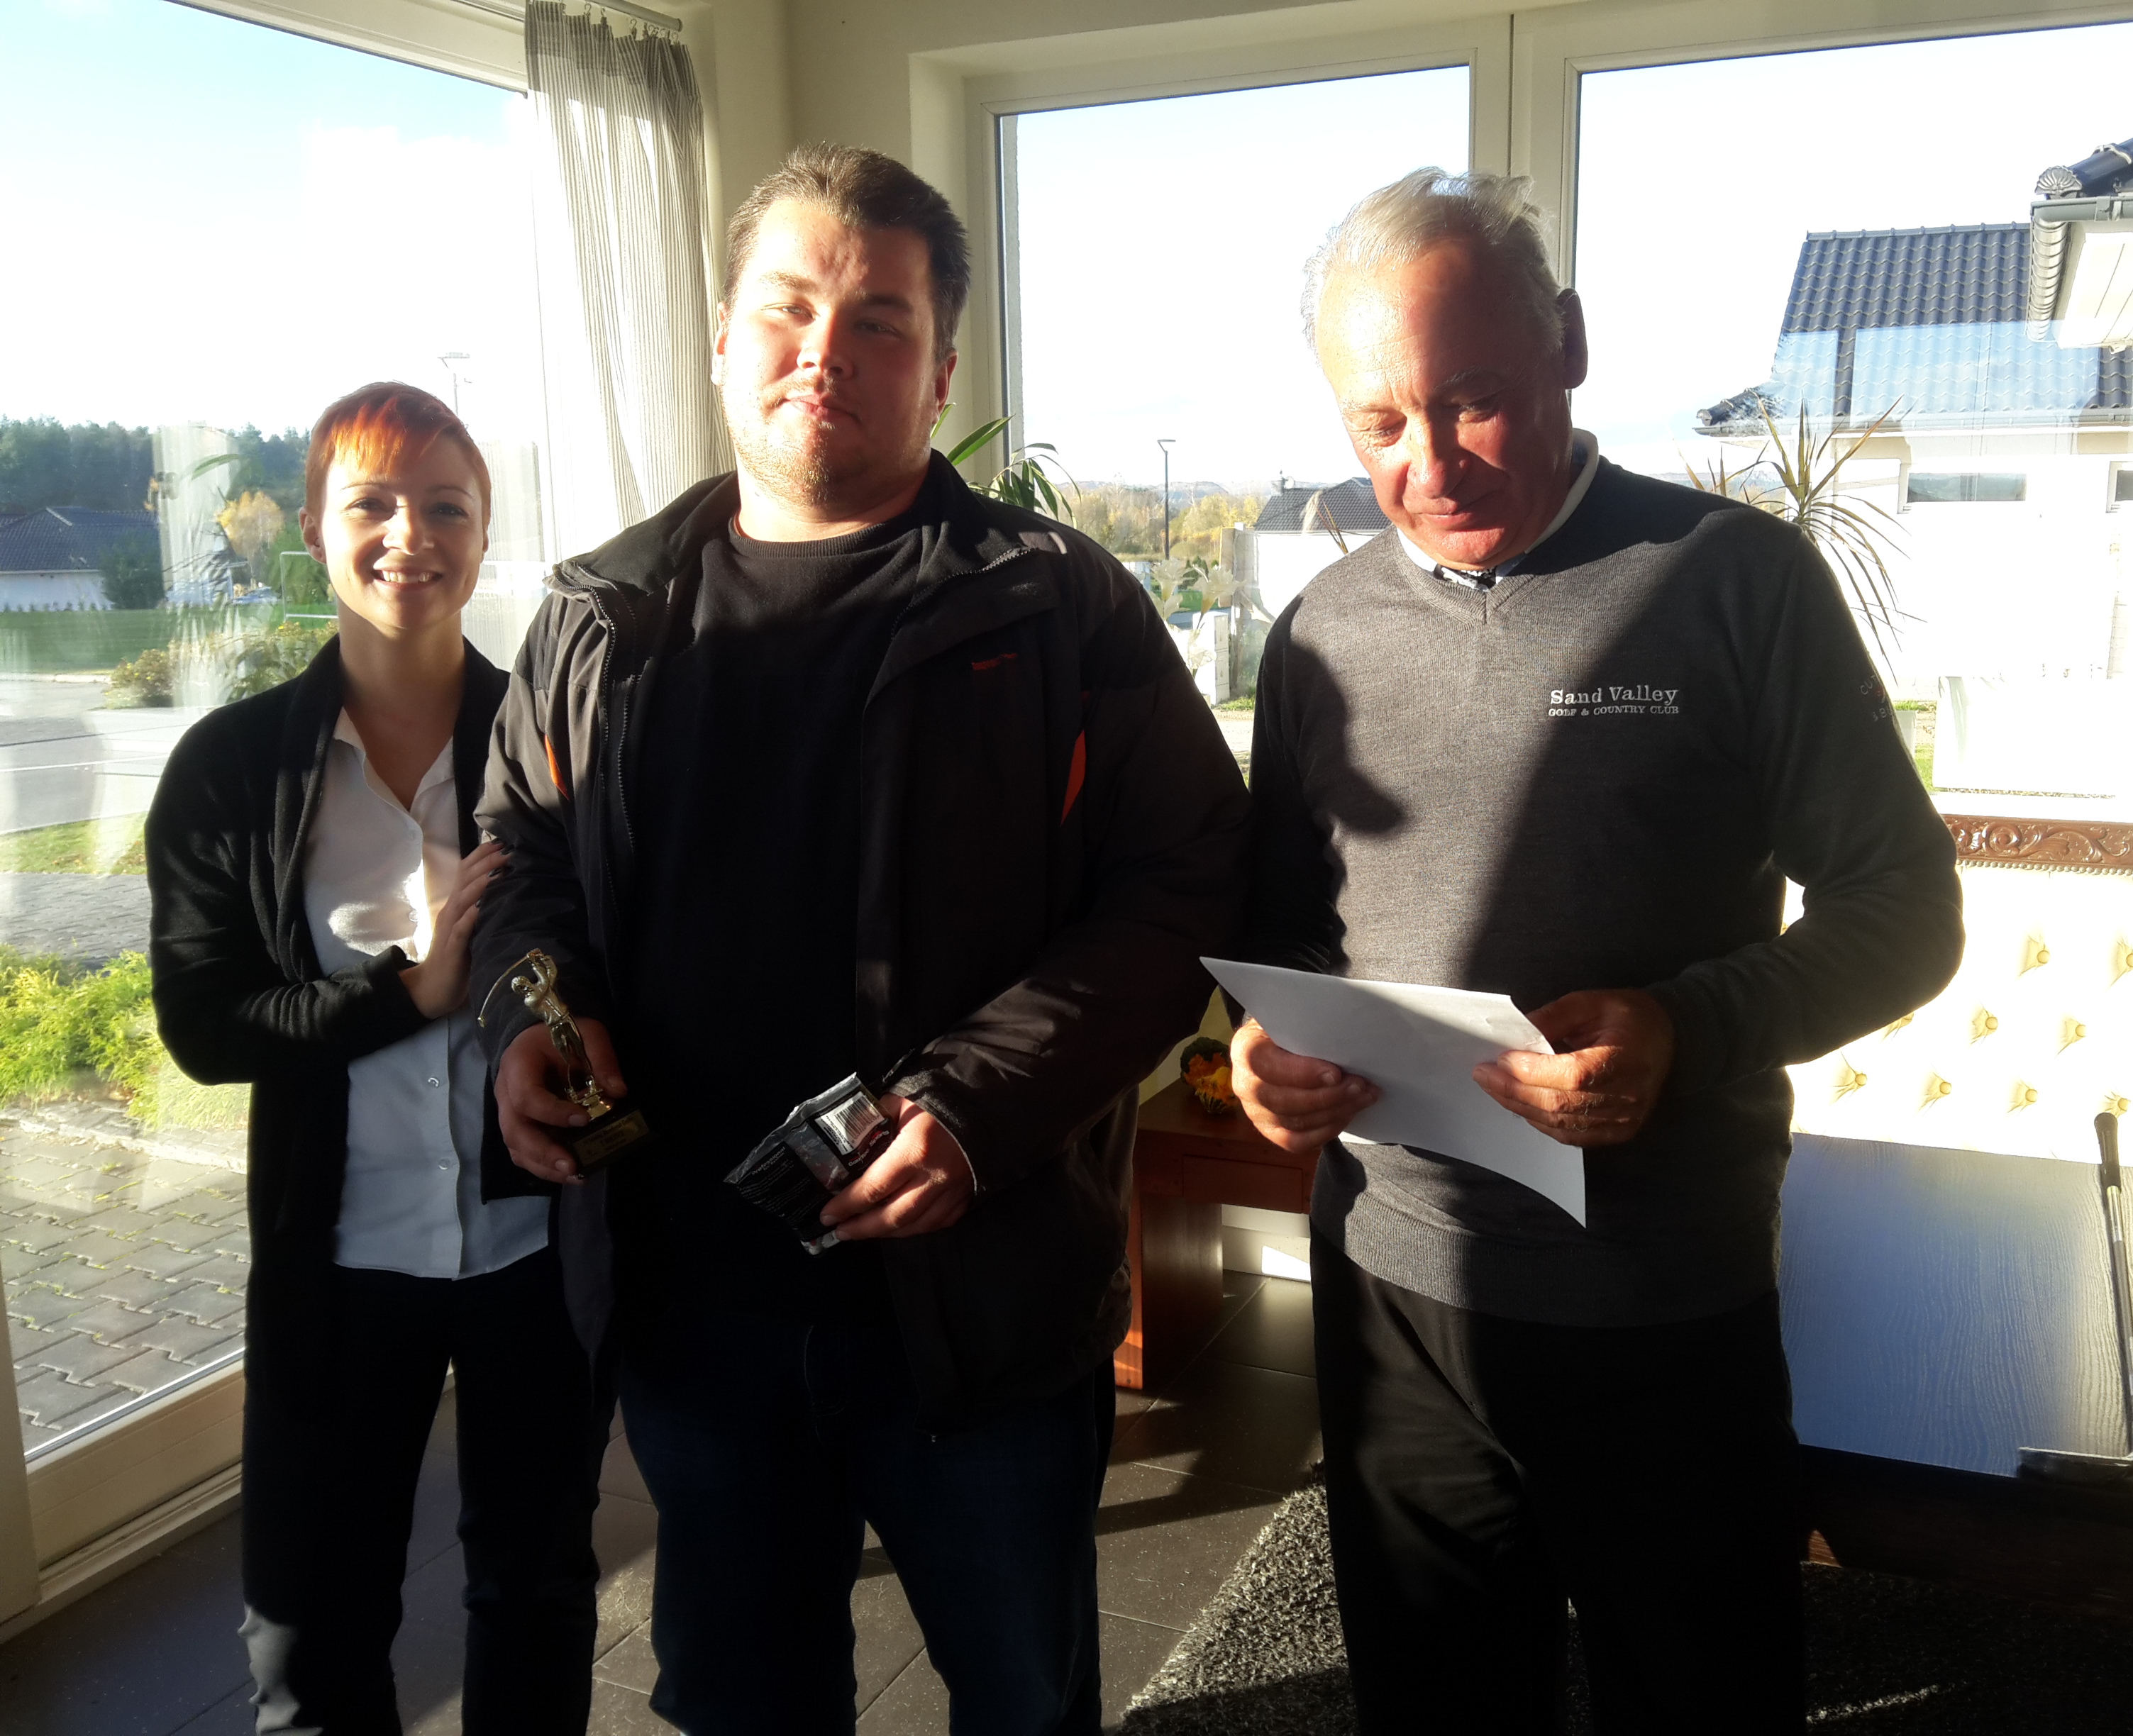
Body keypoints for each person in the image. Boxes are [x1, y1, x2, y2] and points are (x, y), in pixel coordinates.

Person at [471, 142, 1248, 1735]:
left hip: (976, 1305)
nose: (824, 349)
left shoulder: (1059, 605)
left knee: (1022, 1699)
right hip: (692, 1307)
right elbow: (519, 852)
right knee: (744, 1702)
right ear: (721, 338)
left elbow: (1187, 885)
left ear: (941, 369)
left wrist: (972, 1105)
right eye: (788, 307)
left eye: (880, 319)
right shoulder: (601, 615)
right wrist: (532, 1019)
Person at [1230, 169, 1965, 1732]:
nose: (1428, 464)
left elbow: (1907, 908)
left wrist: (1687, 1028)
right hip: (1390, 1289)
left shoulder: (1736, 584)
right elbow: (1280, 922)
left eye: (1474, 401)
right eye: (1380, 424)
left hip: (1665, 1298)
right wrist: (1259, 1053)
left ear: (1567, 342)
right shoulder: (1320, 634)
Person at [147, 382, 605, 1733]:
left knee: (534, 1592)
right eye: (373, 503)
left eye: (447, 506)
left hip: (532, 1252)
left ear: (485, 535)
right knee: (310, 1632)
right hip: (336, 1267)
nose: (413, 535)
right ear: (312, 528)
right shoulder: (231, 769)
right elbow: (205, 1027)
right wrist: (414, 993)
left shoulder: (558, 742)